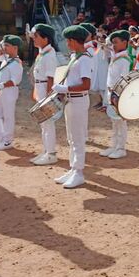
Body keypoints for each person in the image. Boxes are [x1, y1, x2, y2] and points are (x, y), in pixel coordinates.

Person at [52, 25, 95, 188]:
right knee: (71, 137)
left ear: (75, 40)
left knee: (77, 138)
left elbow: (86, 84)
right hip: (71, 100)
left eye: (69, 40)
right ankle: (73, 168)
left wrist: (65, 89)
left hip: (78, 100)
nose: (67, 43)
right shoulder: (75, 57)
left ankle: (79, 172)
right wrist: (62, 91)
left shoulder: (84, 59)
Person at [28, 23, 59, 166]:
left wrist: (48, 98)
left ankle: (51, 153)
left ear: (46, 38)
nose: (33, 39)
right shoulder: (43, 53)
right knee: (43, 123)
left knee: (47, 122)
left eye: (36, 36)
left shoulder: (50, 55)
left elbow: (50, 78)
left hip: (45, 89)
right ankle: (46, 150)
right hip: (39, 87)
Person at [101, 30, 132, 159]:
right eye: (113, 42)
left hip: (118, 94)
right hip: (110, 92)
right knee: (114, 121)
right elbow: (106, 47)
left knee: (120, 121)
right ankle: (114, 145)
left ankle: (121, 147)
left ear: (125, 43)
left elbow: (124, 80)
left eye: (116, 42)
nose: (113, 45)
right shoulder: (116, 55)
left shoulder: (124, 59)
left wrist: (119, 97)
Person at [0, 35, 24, 151]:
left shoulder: (16, 63)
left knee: (8, 116)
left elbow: (15, 81)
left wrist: (1, 85)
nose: (4, 48)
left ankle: (7, 140)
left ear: (15, 48)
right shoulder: (6, 59)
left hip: (9, 91)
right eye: (4, 45)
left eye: (7, 46)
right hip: (1, 90)